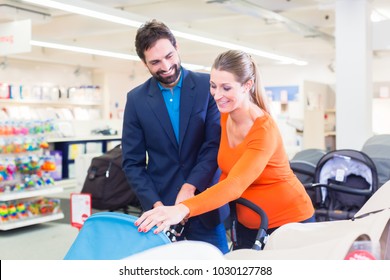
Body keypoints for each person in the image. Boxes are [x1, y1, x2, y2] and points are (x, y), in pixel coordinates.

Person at [135, 49, 315, 250]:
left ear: (247, 85)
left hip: (288, 222)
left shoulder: (263, 130)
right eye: (213, 86)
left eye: (226, 88)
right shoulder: (225, 115)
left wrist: (182, 209)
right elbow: (223, 168)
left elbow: (235, 184)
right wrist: (190, 195)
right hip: (249, 223)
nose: (217, 95)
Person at [121, 19, 230, 253]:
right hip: (160, 210)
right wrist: (156, 204)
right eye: (156, 62)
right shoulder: (136, 100)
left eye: (170, 56)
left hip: (204, 204)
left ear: (177, 47)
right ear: (144, 63)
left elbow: (213, 145)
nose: (166, 66)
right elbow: (132, 163)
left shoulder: (207, 86)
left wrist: (190, 187)